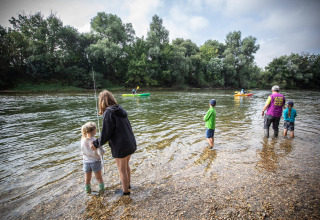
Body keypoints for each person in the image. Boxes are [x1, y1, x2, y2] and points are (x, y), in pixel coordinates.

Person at [91, 90, 137, 196]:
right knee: (126, 167)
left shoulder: (108, 112)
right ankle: (128, 185)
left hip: (121, 146)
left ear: (102, 101)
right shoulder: (120, 109)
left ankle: (125, 191)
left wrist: (96, 143)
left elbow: (106, 133)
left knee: (122, 169)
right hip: (130, 143)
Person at [81, 122, 105, 194]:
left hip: (86, 162)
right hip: (95, 162)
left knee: (87, 179)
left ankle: (87, 191)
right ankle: (102, 191)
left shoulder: (83, 139)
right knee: (99, 178)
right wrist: (100, 146)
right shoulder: (95, 141)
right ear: (94, 130)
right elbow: (101, 153)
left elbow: (83, 150)